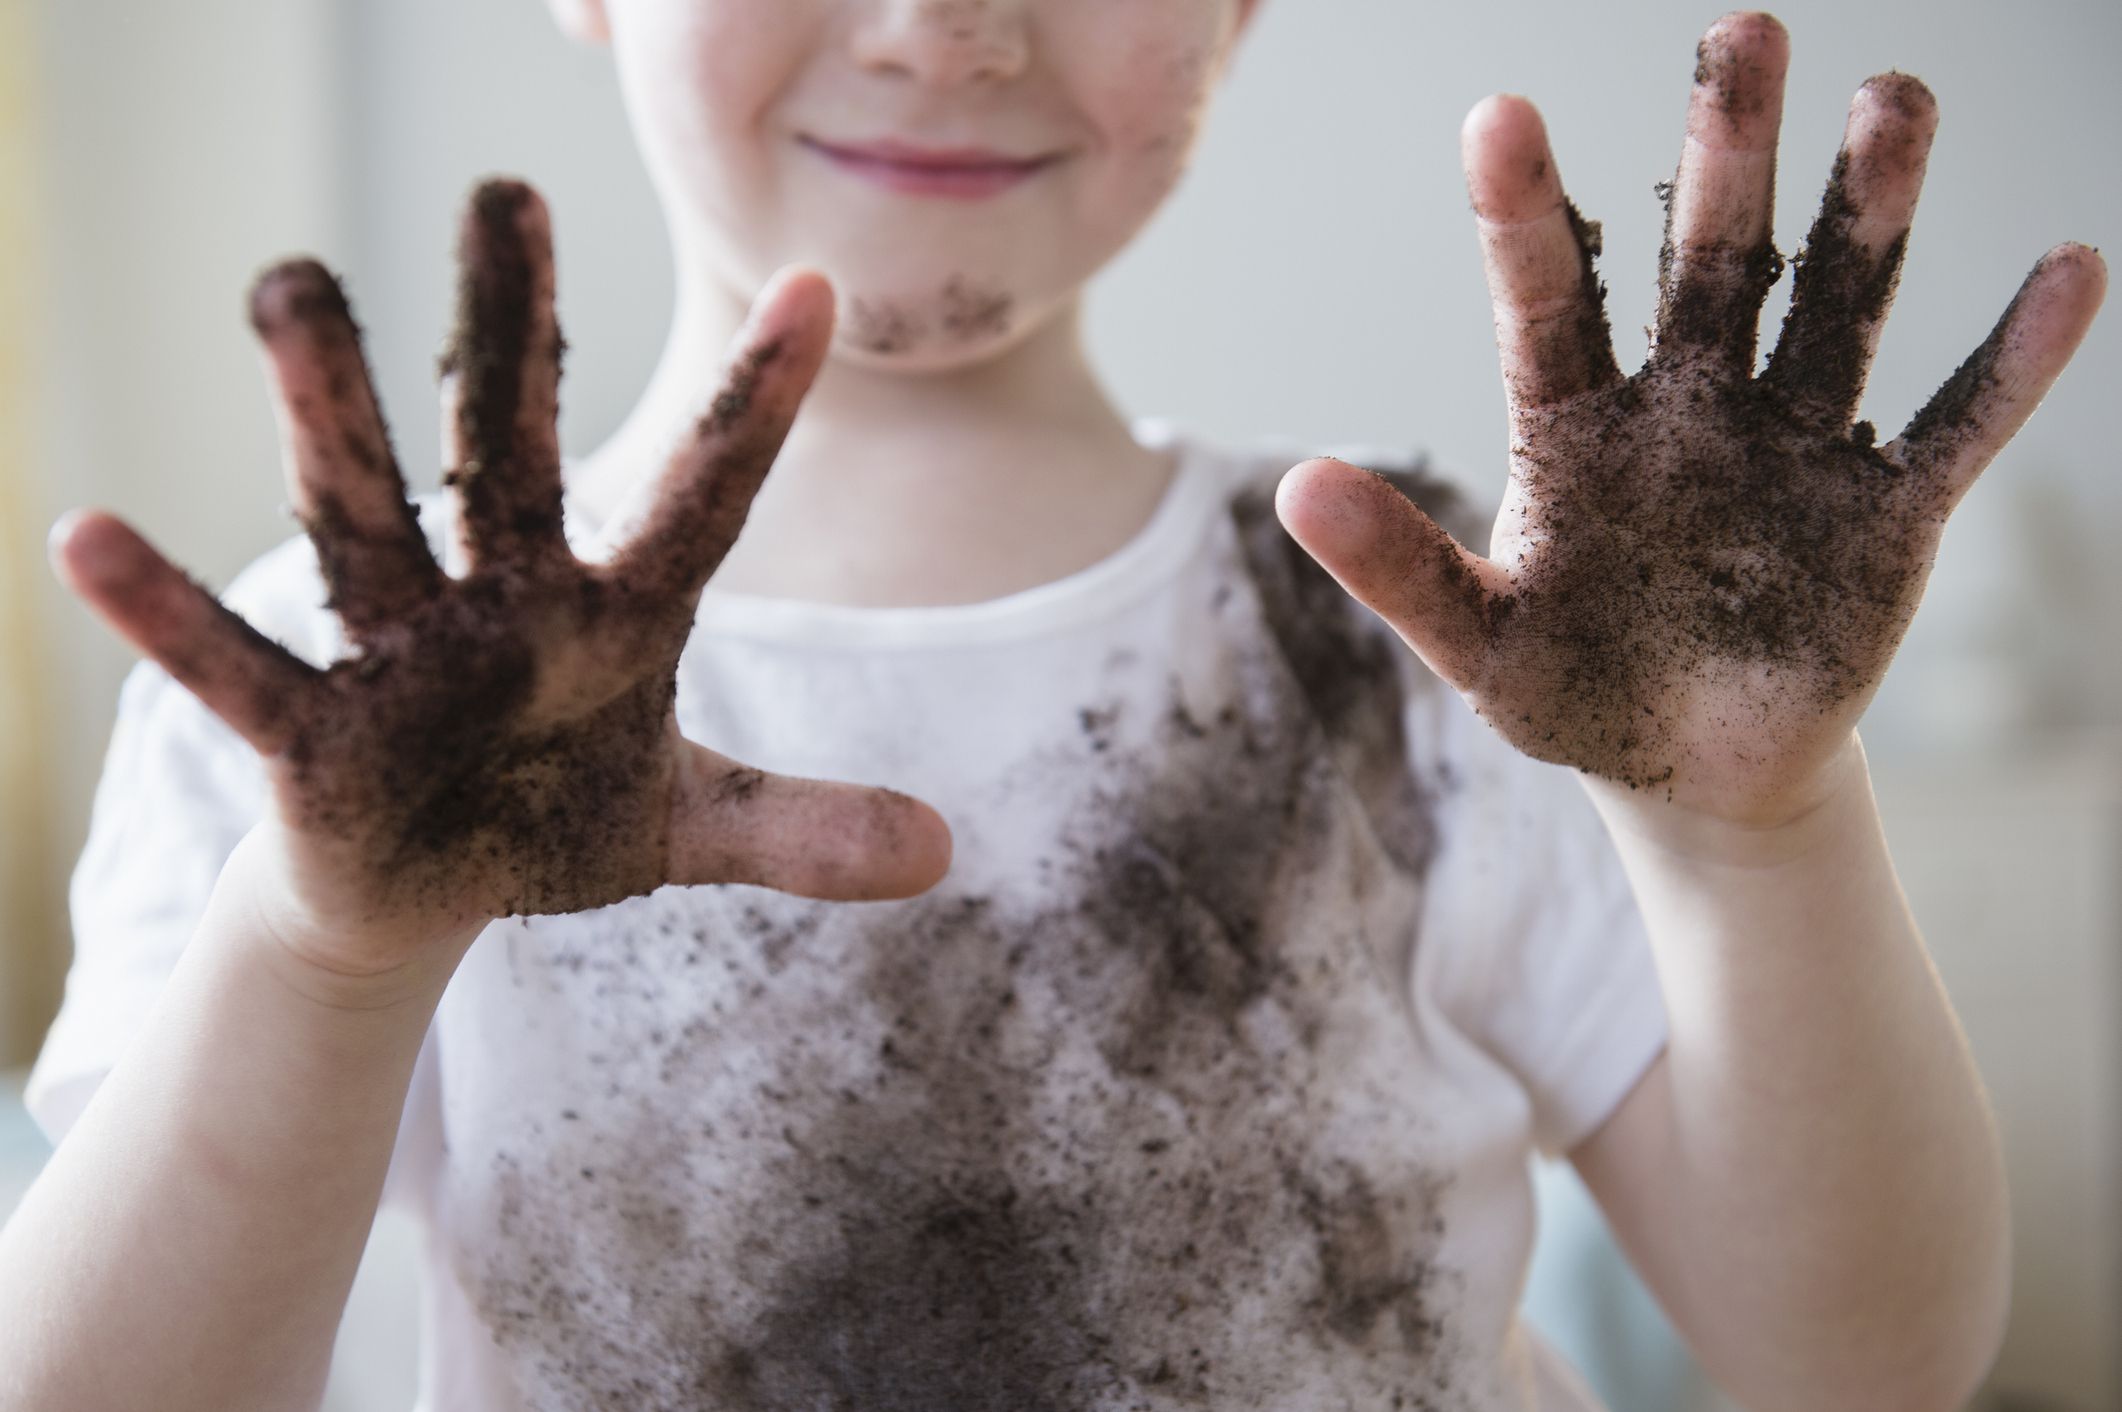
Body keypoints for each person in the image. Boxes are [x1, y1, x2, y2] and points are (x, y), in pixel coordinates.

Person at [1, 3, 2104, 1409]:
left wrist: (1757, 835)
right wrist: (322, 948)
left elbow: (1863, 1361)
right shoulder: (348, 703)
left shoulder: (1470, 642)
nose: (945, 26)